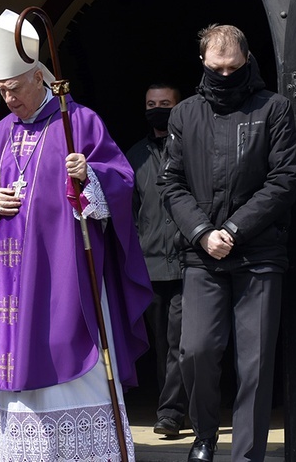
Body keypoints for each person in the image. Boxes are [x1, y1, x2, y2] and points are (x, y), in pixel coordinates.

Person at [0, 9, 152, 461]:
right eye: (0, 90)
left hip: (66, 277)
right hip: (9, 285)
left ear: (38, 77)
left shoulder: (78, 122)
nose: (7, 99)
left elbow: (122, 181)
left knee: (71, 359)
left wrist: (89, 177)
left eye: (13, 89)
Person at [158, 24, 296, 462]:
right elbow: (171, 184)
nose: (224, 75)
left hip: (258, 253)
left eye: (233, 67)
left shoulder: (274, 108)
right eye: (216, 68)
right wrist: (202, 232)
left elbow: (284, 179)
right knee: (197, 348)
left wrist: (235, 230)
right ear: (203, 63)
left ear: (247, 59)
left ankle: (247, 454)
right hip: (202, 256)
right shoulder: (183, 114)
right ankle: (204, 434)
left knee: (254, 363)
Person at [126, 82, 188, 437]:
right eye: (151, 103)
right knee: (164, 344)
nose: (157, 108)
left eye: (165, 103)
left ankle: (171, 414)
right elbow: (129, 212)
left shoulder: (194, 149)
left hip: (189, 262)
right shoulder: (134, 156)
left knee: (184, 343)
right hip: (150, 267)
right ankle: (174, 411)